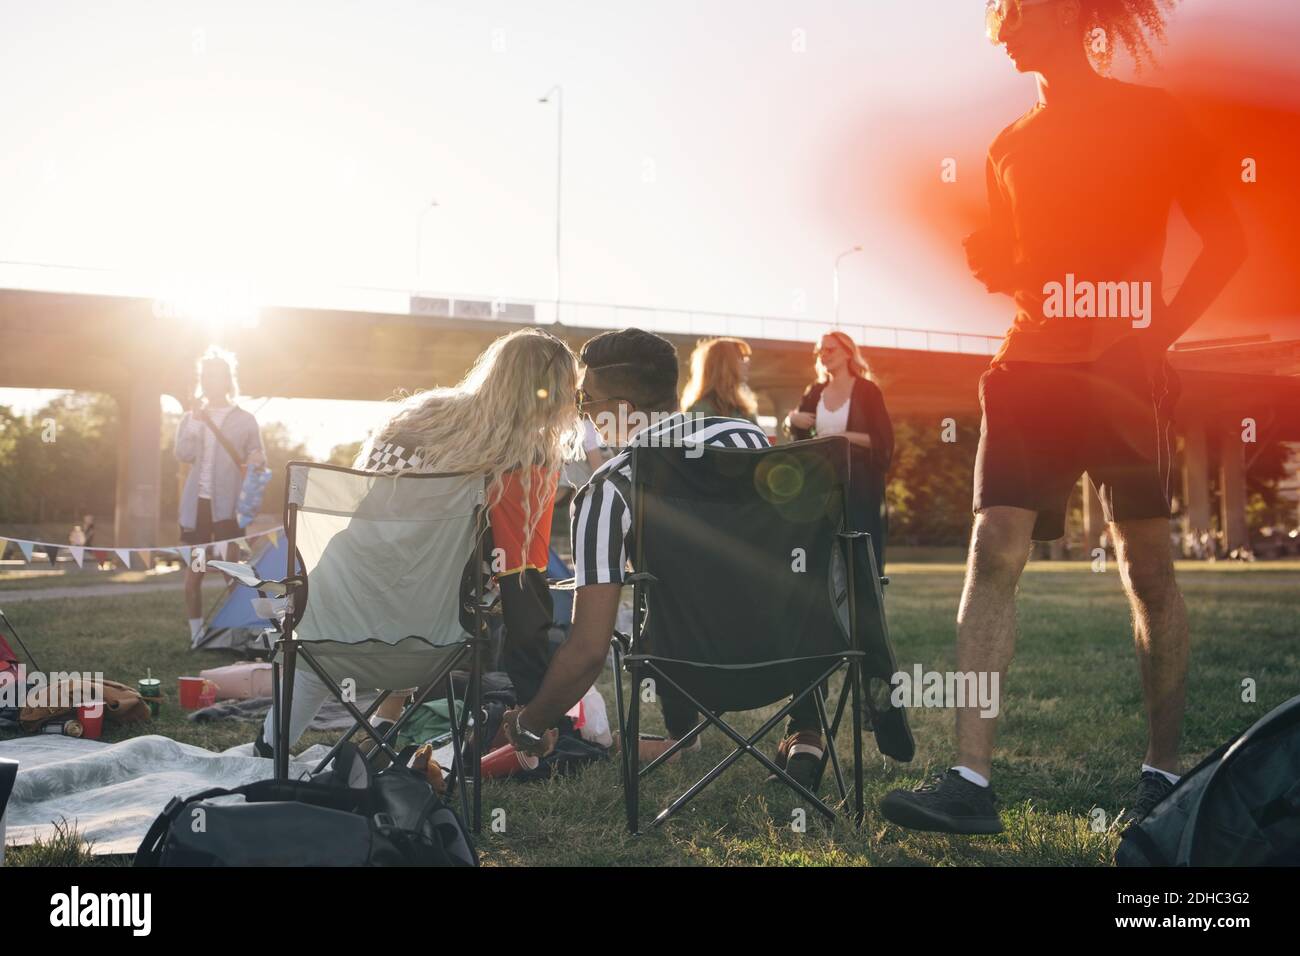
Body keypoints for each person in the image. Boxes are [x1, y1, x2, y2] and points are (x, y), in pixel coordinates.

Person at [880, 0, 1246, 835]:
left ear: (1069, 17)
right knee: (993, 547)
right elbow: (1031, 270)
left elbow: (1226, 242)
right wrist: (997, 264)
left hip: (1121, 372)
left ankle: (1162, 777)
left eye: (1015, 17)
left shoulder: (1153, 118)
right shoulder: (1008, 146)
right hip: (1027, 372)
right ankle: (970, 783)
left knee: (1147, 569)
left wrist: (1158, 338)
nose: (1000, 34)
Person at [501, 328, 833, 789]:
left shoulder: (608, 488)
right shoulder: (747, 438)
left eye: (588, 401)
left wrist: (530, 724)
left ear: (623, 410)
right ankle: (808, 733)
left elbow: (587, 650)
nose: (585, 415)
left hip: (688, 672)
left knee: (655, 611)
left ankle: (684, 734)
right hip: (795, 656)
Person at [254, 328, 581, 756]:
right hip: (432, 635)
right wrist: (533, 706)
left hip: (331, 610)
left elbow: (367, 517)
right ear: (554, 396)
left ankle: (270, 749)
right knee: (437, 584)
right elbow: (522, 584)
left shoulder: (417, 417)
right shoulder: (525, 459)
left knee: (391, 582)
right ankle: (378, 739)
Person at [174, 348, 266, 642]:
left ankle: (244, 635)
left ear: (228, 380)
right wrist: (193, 425)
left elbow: (257, 454)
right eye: (206, 376)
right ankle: (196, 636)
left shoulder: (246, 419)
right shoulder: (191, 418)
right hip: (198, 508)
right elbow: (182, 454)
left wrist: (257, 458)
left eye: (216, 376)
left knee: (232, 575)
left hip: (229, 508)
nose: (210, 381)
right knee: (194, 576)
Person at [785, 331, 894, 570]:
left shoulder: (868, 391)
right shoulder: (814, 391)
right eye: (820, 350)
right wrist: (792, 419)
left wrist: (841, 437)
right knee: (823, 551)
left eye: (830, 349)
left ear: (847, 353)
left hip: (860, 486)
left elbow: (882, 441)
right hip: (821, 486)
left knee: (859, 552)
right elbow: (796, 434)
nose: (824, 355)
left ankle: (863, 604)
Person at [680, 336, 759, 423]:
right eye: (741, 358)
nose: (747, 362)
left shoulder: (745, 409)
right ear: (723, 365)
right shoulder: (699, 410)